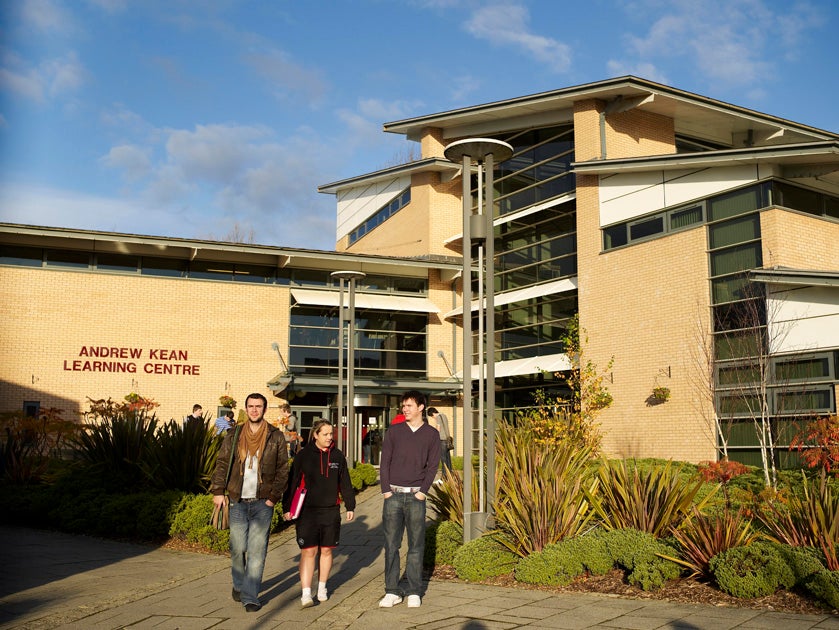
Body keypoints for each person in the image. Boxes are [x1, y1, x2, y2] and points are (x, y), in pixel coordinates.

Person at [210, 393, 289, 612]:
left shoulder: (275, 436)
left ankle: (250, 595)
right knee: (237, 548)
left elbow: (283, 468)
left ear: (264, 409)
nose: (255, 410)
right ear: (246, 409)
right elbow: (222, 462)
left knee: (257, 550)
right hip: (237, 500)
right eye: (251, 406)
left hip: (263, 502)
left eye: (259, 406)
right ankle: (239, 584)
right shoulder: (234, 434)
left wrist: (274, 497)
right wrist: (218, 491)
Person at [282, 419, 355, 608]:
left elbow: (344, 482)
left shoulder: (338, 456)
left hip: (331, 510)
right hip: (308, 511)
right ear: (315, 435)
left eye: (331, 434)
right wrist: (286, 508)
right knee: (308, 551)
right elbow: (292, 482)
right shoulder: (303, 456)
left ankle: (322, 587)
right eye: (326, 434)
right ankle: (306, 593)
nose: (330, 437)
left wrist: (350, 505)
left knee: (327, 550)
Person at [378, 390, 440, 609]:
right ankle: (392, 591)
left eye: (409, 405)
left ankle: (414, 591)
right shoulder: (394, 432)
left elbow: (433, 465)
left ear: (421, 407)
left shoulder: (431, 435)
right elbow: (384, 462)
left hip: (416, 497)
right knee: (391, 545)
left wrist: (423, 491)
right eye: (403, 405)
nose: (404, 409)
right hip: (393, 496)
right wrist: (386, 490)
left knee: (415, 546)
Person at [427, 407, 452, 474]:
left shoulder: (438, 417)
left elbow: (438, 429)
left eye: (432, 416)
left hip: (442, 440)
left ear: (432, 413)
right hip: (447, 439)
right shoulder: (444, 415)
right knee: (448, 459)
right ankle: (450, 475)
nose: (433, 418)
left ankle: (444, 476)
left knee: (443, 460)